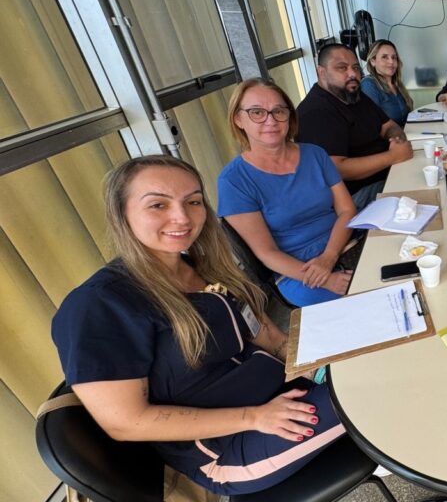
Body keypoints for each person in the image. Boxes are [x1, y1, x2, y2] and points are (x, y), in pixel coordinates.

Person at [52, 155, 346, 496]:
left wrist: (322, 365)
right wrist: (255, 417)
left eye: (192, 201)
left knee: (375, 362)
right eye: (158, 204)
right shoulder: (100, 305)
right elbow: (126, 422)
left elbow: (270, 337)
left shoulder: (203, 268)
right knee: (372, 390)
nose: (182, 217)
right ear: (122, 213)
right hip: (233, 445)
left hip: (278, 392)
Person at [219, 78, 356, 306]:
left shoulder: (315, 154)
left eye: (278, 111)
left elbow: (347, 210)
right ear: (238, 119)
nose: (271, 120)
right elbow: (267, 253)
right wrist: (326, 279)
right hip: (299, 272)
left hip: (343, 243)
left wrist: (329, 257)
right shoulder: (233, 181)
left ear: (289, 116)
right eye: (257, 112)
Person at [297, 43, 412, 210]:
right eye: (342, 68)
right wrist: (393, 156)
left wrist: (397, 141)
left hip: (389, 170)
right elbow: (337, 168)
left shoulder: (354, 95)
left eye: (356, 68)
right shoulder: (315, 112)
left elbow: (388, 125)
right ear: (321, 72)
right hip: (356, 195)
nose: (352, 74)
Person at [360, 39, 414, 127]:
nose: (391, 62)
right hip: (390, 136)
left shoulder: (397, 84)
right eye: (384, 57)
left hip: (407, 132)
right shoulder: (368, 85)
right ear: (373, 61)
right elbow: (371, 124)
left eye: (394, 57)